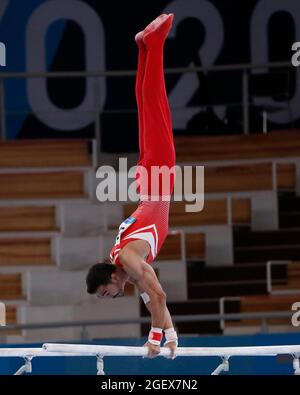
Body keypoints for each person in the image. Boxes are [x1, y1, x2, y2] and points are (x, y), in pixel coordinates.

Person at [86, 14, 177, 359]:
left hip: (157, 176)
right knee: (145, 102)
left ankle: (154, 42)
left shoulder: (126, 258)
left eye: (107, 292)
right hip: (150, 178)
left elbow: (159, 297)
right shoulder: (128, 265)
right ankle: (142, 45)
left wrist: (154, 339)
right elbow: (156, 297)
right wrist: (171, 339)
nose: (111, 296)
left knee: (153, 100)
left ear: (111, 276)